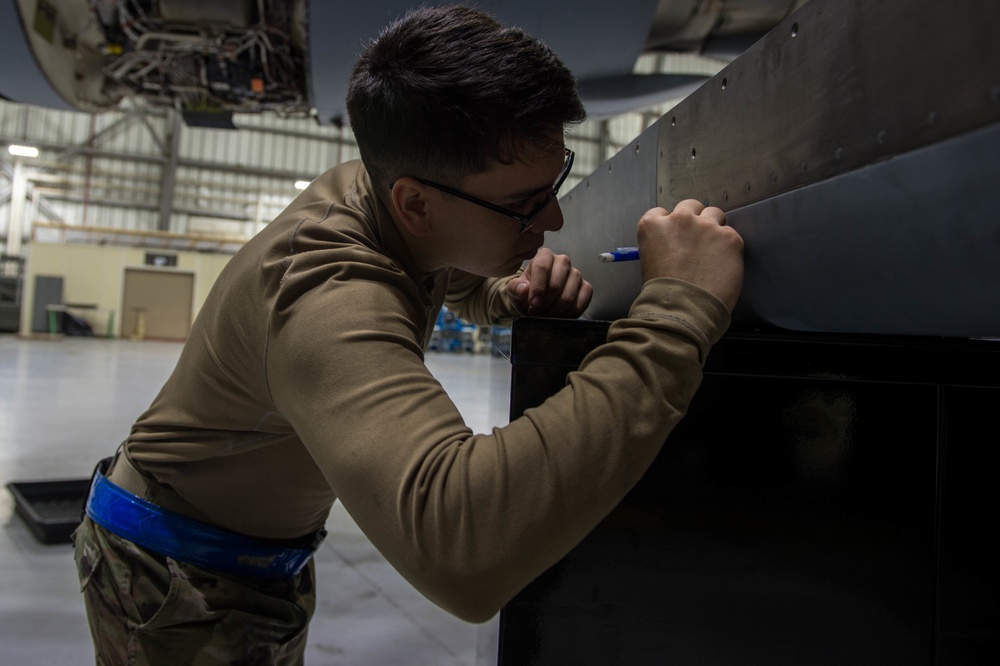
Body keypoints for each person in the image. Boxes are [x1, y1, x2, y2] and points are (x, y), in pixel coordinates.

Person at [72, 5, 744, 664]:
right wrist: (676, 310)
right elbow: (462, 545)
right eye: (523, 206)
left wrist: (508, 294)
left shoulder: (383, 192)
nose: (556, 222)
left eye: (552, 185)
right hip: (171, 580)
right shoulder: (325, 290)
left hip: (245, 560)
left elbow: (446, 275)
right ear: (415, 204)